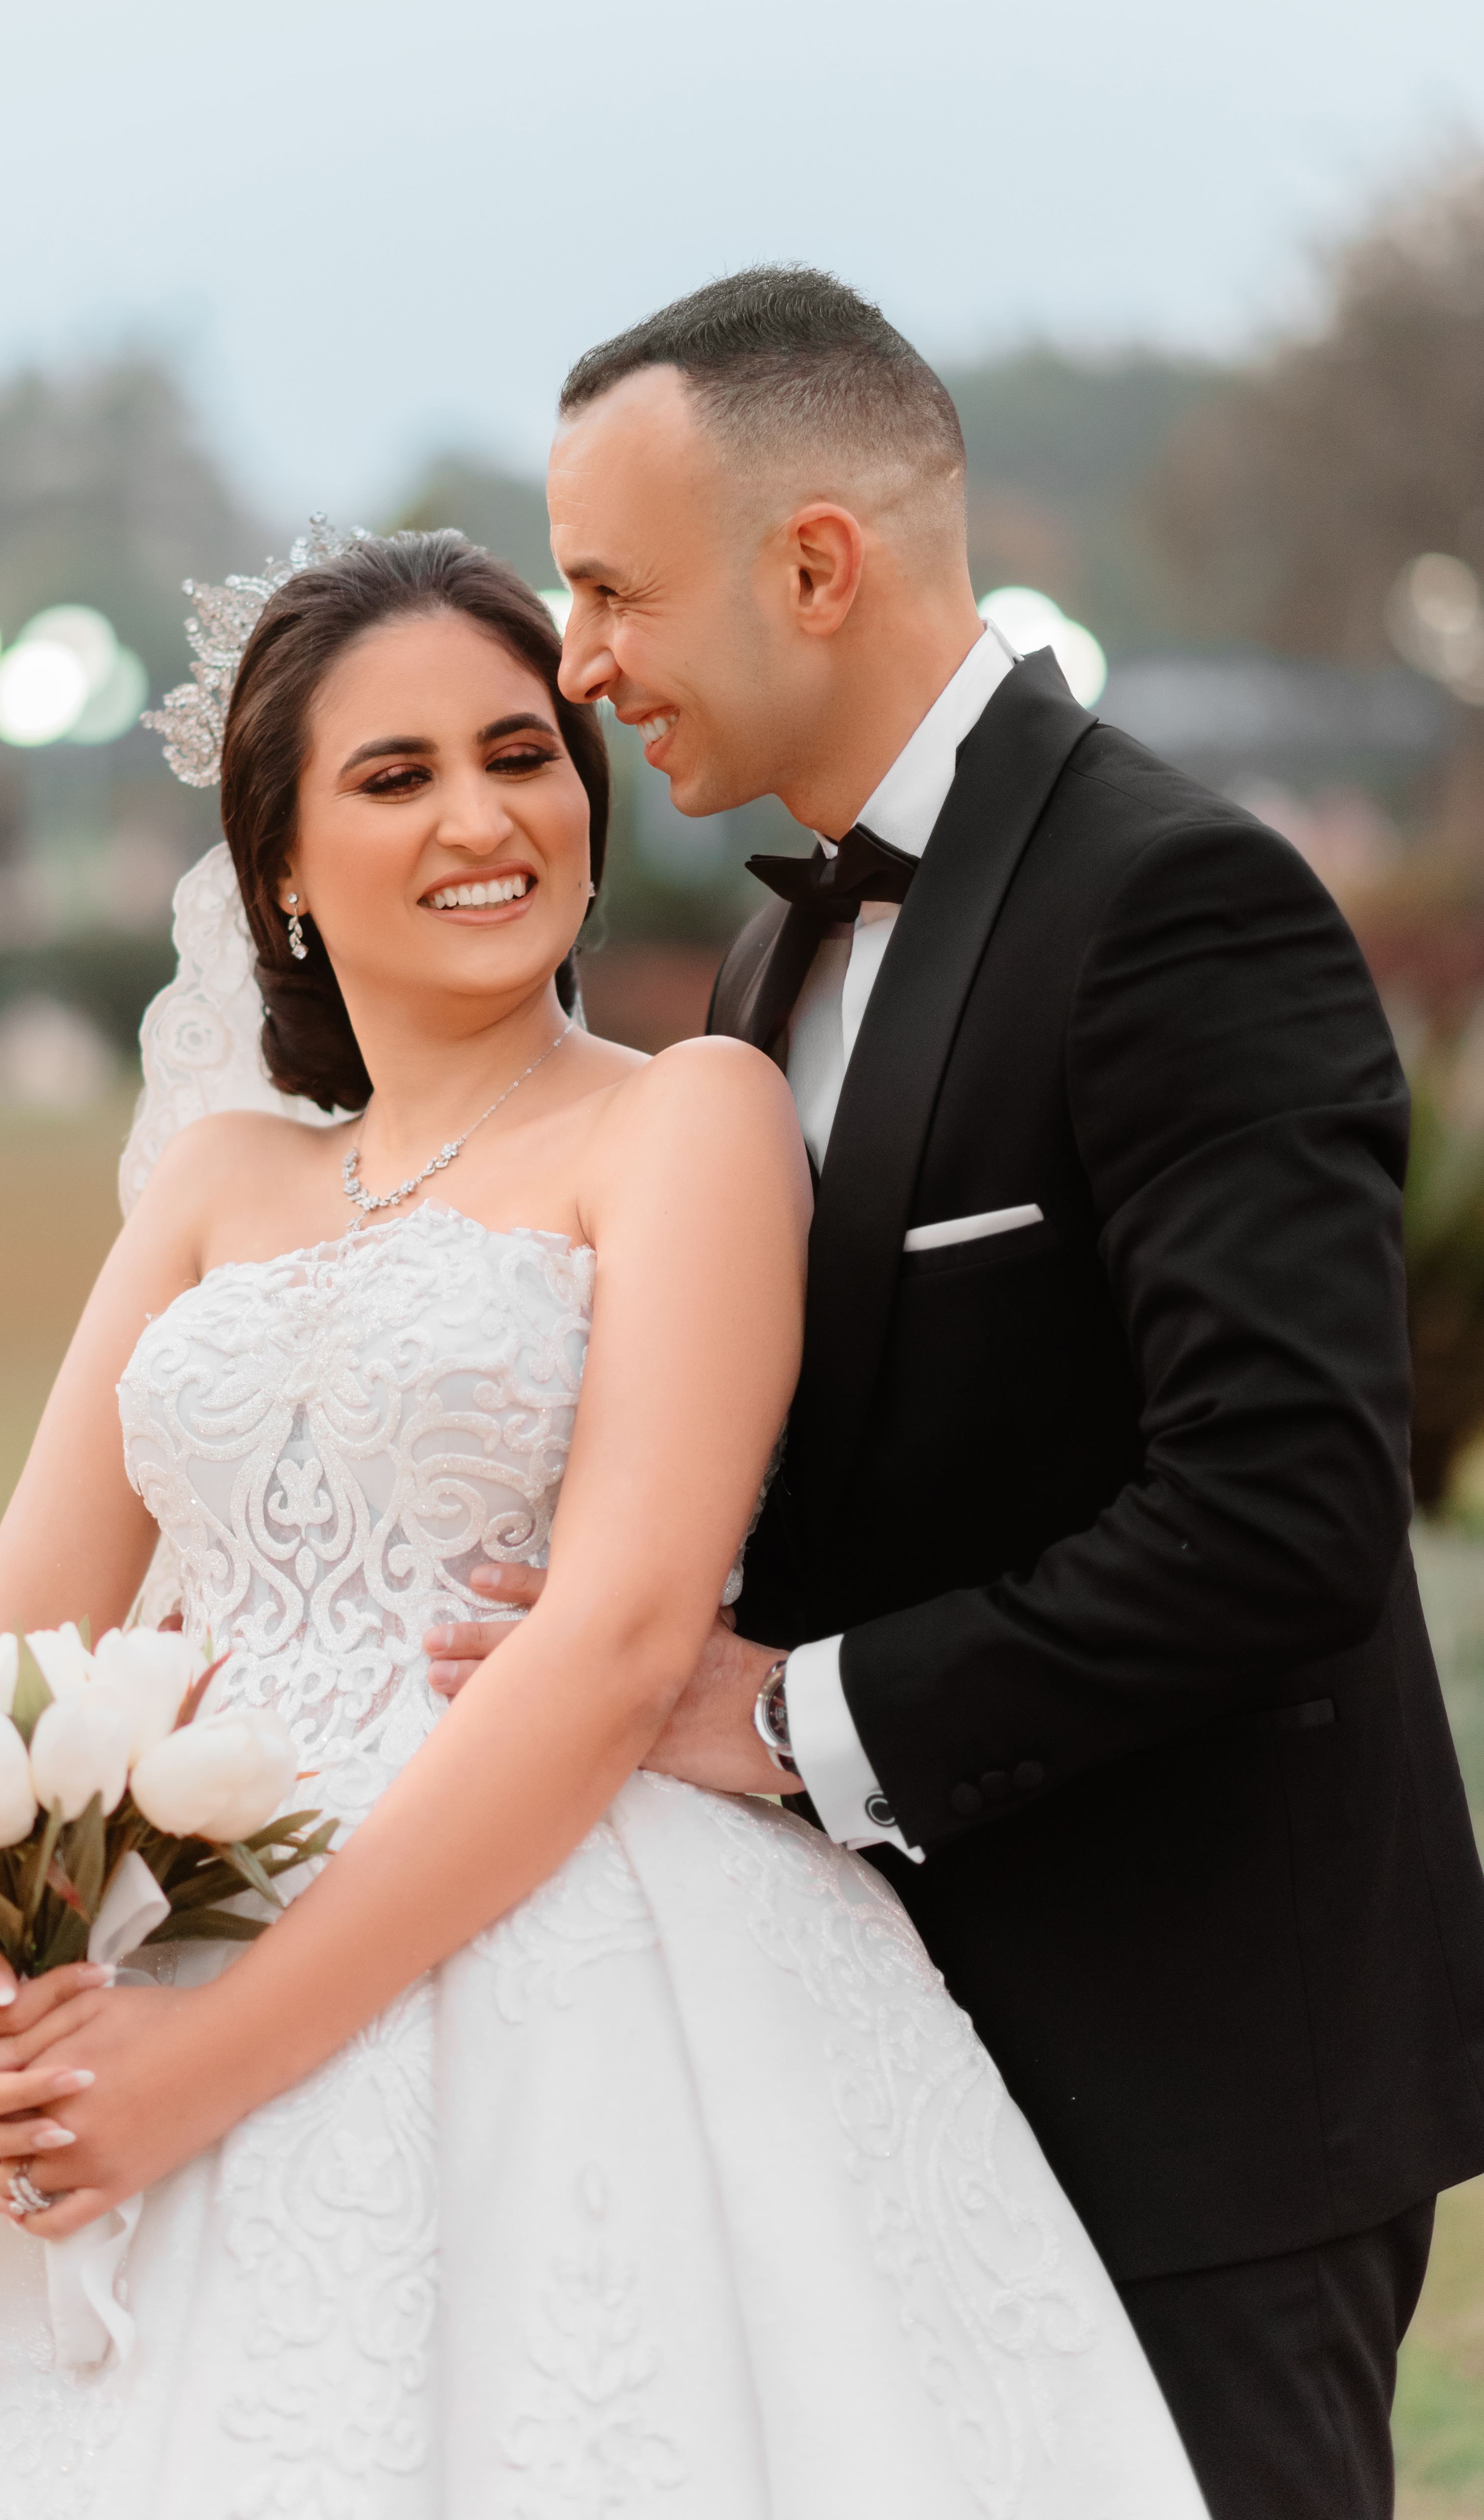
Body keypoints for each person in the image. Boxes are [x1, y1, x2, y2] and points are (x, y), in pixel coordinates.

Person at [0, 528, 1207, 2518]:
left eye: (523, 754)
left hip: (562, 1913)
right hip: (150, 1890)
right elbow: (4, 1635)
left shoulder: (683, 1115)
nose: (484, 817)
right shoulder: (213, 1175)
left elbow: (619, 1642)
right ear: (275, 859)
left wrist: (205, 2060)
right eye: (396, 774)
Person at [435, 266, 1484, 2520]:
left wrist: (790, 1716)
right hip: (892, 2050)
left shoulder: (1180, 901)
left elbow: (1288, 1508)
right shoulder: (767, 941)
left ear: (816, 564)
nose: (580, 658)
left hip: (1205, 2059)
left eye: (613, 588)